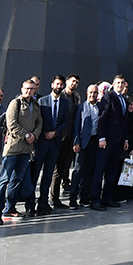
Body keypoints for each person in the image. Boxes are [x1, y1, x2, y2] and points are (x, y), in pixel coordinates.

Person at [0, 79, 41, 225]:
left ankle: (10, 208)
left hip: (26, 150)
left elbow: (40, 123)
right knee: (4, 180)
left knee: (16, 180)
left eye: (32, 89)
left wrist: (35, 135)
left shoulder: (36, 105)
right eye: (26, 88)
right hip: (13, 149)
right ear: (22, 89)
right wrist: (26, 135)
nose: (29, 91)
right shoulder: (15, 103)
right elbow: (11, 123)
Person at [28, 75, 70, 216]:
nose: (59, 86)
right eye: (57, 84)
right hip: (41, 142)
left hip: (55, 143)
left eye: (61, 84)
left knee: (48, 175)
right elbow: (37, 121)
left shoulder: (64, 103)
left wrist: (55, 133)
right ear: (52, 85)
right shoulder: (42, 101)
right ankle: (30, 204)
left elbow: (65, 121)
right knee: (35, 174)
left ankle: (43, 204)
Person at [91, 74, 131, 210]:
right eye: (118, 82)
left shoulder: (124, 100)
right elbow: (102, 118)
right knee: (99, 170)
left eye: (122, 83)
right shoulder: (108, 97)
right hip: (106, 142)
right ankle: (95, 199)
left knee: (112, 171)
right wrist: (101, 137)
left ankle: (108, 197)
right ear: (114, 84)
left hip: (118, 142)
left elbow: (124, 122)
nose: (120, 85)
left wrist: (125, 139)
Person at [50, 74, 81, 207]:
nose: (74, 84)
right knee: (56, 169)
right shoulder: (60, 96)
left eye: (77, 82)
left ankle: (57, 196)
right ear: (67, 82)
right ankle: (53, 198)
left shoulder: (76, 97)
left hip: (69, 137)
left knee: (64, 168)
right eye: (72, 81)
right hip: (57, 137)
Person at [70, 84, 99, 208]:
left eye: (95, 93)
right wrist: (76, 142)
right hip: (82, 142)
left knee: (89, 171)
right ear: (87, 93)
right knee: (78, 170)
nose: (93, 95)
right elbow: (76, 126)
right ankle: (72, 199)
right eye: (91, 92)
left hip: (94, 142)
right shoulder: (81, 107)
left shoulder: (99, 107)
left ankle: (84, 197)